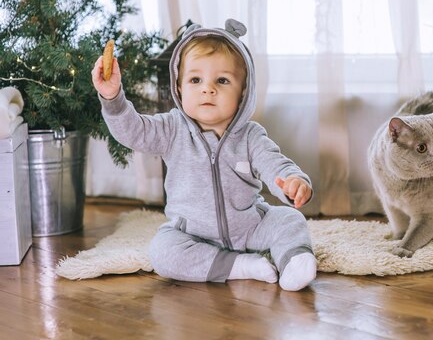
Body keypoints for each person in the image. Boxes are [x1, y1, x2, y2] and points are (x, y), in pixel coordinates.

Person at [91, 19, 317, 291]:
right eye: (195, 79)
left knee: (289, 220)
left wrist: (291, 181)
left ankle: (296, 260)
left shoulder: (250, 135)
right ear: (179, 87)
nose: (207, 89)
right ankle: (239, 266)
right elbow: (134, 132)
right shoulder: (172, 129)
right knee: (162, 252)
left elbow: (274, 164)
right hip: (191, 233)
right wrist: (114, 99)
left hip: (248, 227)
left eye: (222, 80)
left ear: (243, 92)